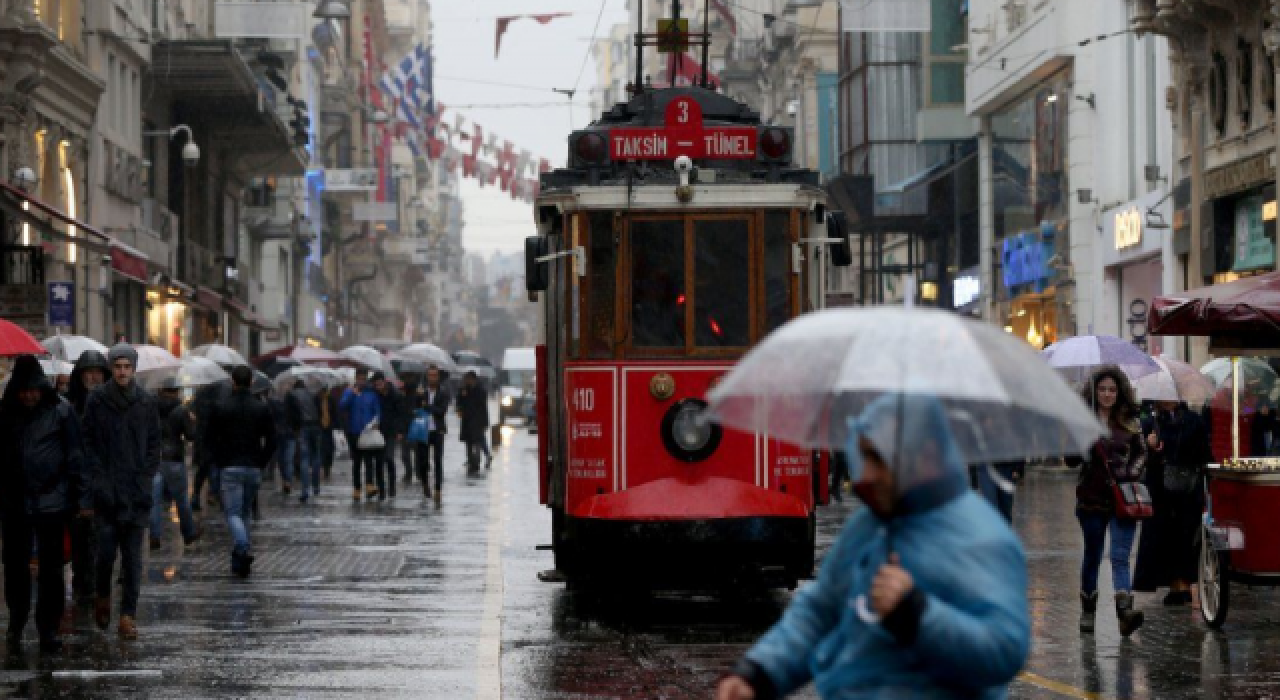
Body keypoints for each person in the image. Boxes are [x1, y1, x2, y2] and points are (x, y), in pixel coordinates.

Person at [716, 394, 1029, 700]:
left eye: (880, 458)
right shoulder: (870, 525)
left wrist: (917, 615)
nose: (866, 475)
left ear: (926, 456)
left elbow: (1005, 650)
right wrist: (759, 674)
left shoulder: (982, 538)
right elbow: (821, 611)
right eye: (864, 457)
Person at [0, 356, 88, 653]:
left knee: (51, 570)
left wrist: (80, 498)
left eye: (32, 390)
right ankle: (17, 619)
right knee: (14, 566)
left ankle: (48, 627)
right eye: (23, 390)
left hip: (53, 501)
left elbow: (76, 456)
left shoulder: (61, 412)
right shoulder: (6, 413)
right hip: (14, 502)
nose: (28, 396)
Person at [81, 343, 161, 640]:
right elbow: (87, 441)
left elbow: (154, 445)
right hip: (107, 494)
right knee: (104, 554)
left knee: (132, 559)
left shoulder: (146, 402)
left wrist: (145, 479)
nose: (122, 372)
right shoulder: (97, 401)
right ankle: (103, 595)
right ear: (111, 368)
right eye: (117, 366)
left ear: (134, 369)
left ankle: (128, 615)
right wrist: (98, 481)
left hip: (136, 494)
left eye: (127, 367)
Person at [1069, 367, 1148, 637]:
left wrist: (1131, 472)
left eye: (1112, 390)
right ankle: (1088, 609)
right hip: (1091, 499)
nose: (1107, 394)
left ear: (1119, 392)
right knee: (1093, 554)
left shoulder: (1128, 421)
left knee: (1120, 556)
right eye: (1102, 389)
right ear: (1094, 391)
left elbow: (1141, 453)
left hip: (1122, 498)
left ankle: (1124, 612)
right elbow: (1070, 461)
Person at [1134, 400, 1211, 605]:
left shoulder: (1194, 421)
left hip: (1188, 488)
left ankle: (1185, 583)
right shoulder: (1150, 423)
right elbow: (1141, 459)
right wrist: (1150, 447)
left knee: (1186, 536)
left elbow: (1204, 453)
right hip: (1160, 491)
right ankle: (1173, 584)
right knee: (1164, 536)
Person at [205, 366, 276, 577]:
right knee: (245, 512)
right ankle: (240, 560)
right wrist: (262, 461)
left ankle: (243, 545)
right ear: (252, 382)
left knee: (232, 513)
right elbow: (273, 439)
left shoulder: (221, 407)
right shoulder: (261, 408)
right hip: (253, 466)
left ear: (232, 382)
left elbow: (210, 438)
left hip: (229, 466)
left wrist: (216, 460)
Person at [65, 349, 109, 610]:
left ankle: (92, 584)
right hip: (75, 480)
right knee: (80, 536)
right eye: (88, 372)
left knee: (99, 536)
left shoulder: (110, 404)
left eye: (97, 372)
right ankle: (84, 583)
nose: (93, 377)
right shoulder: (69, 406)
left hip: (102, 479)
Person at [149, 379, 200, 550]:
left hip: (155, 458)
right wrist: (193, 421)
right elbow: (191, 435)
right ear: (177, 391)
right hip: (175, 460)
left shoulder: (150, 407)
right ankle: (189, 533)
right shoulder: (181, 410)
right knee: (182, 500)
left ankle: (154, 536)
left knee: (154, 501)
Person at [339, 368, 382, 502]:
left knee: (369, 460)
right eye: (359, 379)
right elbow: (342, 406)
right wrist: (352, 394)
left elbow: (377, 410)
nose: (361, 381)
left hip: (368, 431)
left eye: (363, 379)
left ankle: (369, 485)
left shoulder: (372, 394)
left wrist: (376, 421)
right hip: (354, 431)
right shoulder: (349, 391)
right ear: (356, 378)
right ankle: (356, 488)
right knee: (357, 462)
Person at [413, 367, 451, 504]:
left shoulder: (444, 393)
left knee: (438, 460)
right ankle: (425, 484)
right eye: (430, 375)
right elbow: (416, 409)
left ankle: (438, 489)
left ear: (438, 377)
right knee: (423, 461)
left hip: (438, 430)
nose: (432, 378)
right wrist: (418, 399)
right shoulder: (422, 391)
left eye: (434, 375)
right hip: (423, 430)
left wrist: (428, 406)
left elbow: (442, 411)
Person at [286, 379, 324, 503]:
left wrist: (294, 428)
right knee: (316, 456)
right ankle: (316, 486)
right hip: (315, 426)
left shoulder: (291, 395)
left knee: (304, 458)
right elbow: (319, 411)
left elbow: (290, 414)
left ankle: (305, 490)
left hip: (302, 427)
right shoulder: (313, 393)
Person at [372, 372, 406, 498]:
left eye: (379, 384)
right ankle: (382, 490)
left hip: (392, 432)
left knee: (389, 458)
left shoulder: (396, 395)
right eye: (376, 385)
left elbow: (401, 414)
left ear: (384, 382)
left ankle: (392, 487)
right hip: (378, 432)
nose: (378, 387)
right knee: (379, 461)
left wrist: (400, 431)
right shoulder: (375, 395)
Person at [457, 370, 491, 472]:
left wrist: (485, 422)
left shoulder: (480, 390)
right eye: (466, 379)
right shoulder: (464, 390)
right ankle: (470, 459)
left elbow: (483, 407)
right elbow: (459, 402)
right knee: (468, 442)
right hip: (467, 420)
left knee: (477, 441)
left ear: (473, 379)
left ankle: (476, 462)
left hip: (477, 421)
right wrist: (461, 397)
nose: (467, 381)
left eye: (468, 379)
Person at [268, 389, 293, 493]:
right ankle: (287, 480)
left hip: (279, 432)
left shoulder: (272, 401)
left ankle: (286, 480)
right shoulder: (291, 400)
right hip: (288, 432)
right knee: (287, 458)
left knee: (282, 458)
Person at [319, 385, 337, 481]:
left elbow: (335, 412)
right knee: (322, 448)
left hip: (329, 428)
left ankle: (327, 467)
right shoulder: (316, 399)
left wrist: (333, 424)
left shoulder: (331, 399)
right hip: (320, 427)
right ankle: (323, 466)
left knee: (329, 448)